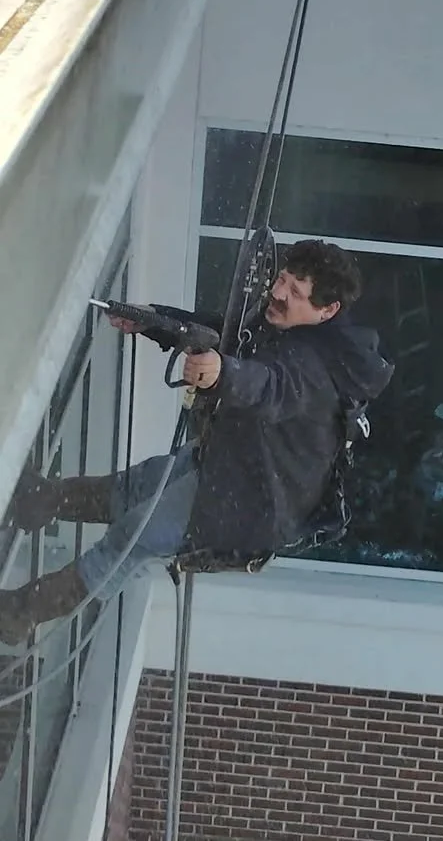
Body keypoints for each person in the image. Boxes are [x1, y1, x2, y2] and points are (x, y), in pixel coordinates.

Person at [0, 240, 393, 644]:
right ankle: (38, 500)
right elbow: (224, 334)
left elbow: (268, 384)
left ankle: (21, 612)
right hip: (229, 461)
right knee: (134, 487)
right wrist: (154, 320)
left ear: (328, 310)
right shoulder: (285, 324)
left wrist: (224, 373)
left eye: (295, 292)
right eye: (281, 279)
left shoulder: (316, 368)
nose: (278, 293)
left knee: (134, 537)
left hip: (249, 502)